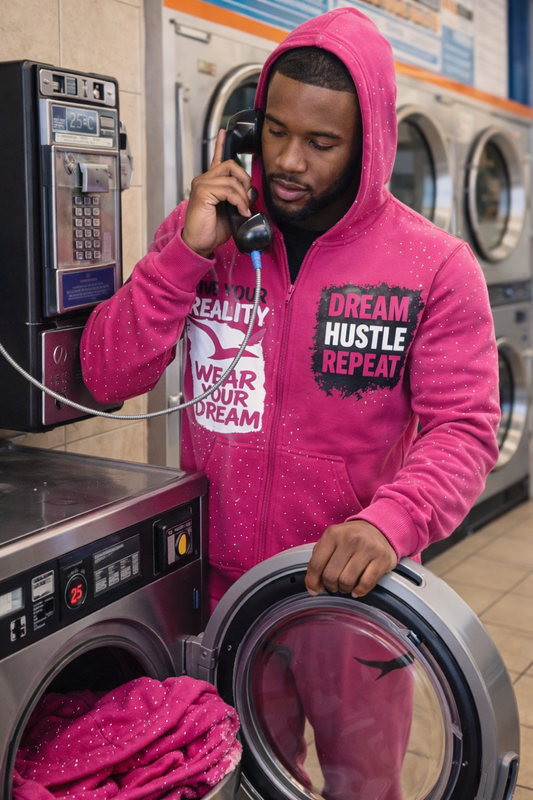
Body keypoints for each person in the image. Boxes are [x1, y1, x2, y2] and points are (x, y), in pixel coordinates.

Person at [82, 10, 499, 795]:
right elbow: (105, 377)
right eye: (273, 131)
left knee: (358, 788)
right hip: (216, 590)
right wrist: (184, 255)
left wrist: (391, 521)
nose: (286, 161)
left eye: (320, 143)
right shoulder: (210, 234)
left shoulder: (434, 267)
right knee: (238, 780)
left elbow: (464, 431)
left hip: (352, 594)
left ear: (369, 143)